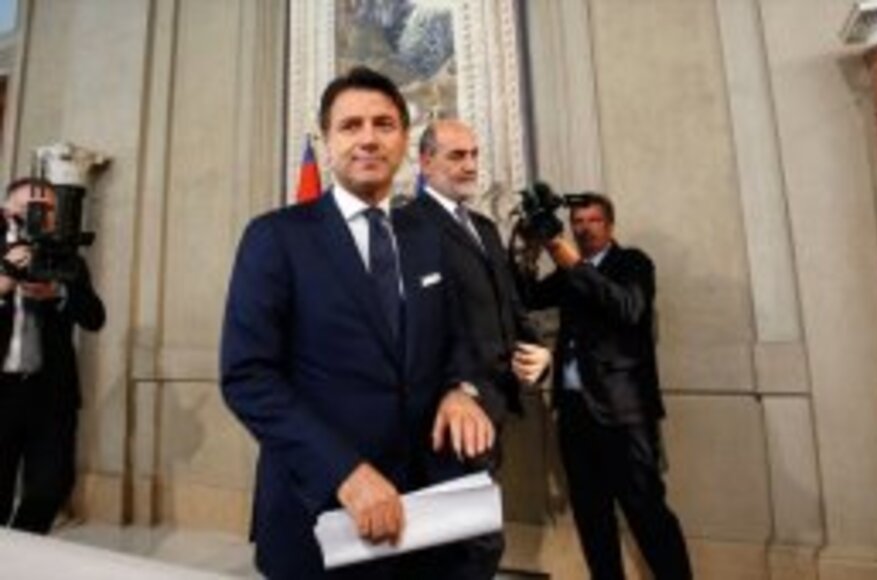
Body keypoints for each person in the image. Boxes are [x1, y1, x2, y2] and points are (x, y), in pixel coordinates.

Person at [220, 67, 495, 579]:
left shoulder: (428, 235)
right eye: (350, 126)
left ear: (404, 141)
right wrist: (342, 472)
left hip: (427, 513)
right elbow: (248, 377)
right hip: (320, 511)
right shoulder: (275, 237)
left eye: (383, 124)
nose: (368, 138)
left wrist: (460, 389)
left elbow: (457, 336)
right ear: (328, 142)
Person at [519, 193, 692, 580]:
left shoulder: (632, 263)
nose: (584, 229)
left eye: (593, 221)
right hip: (574, 412)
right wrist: (530, 252)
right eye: (577, 222)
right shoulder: (568, 273)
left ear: (610, 225)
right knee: (591, 516)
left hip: (624, 412)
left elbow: (628, 308)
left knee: (647, 512)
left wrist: (571, 263)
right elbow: (526, 299)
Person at [406, 119, 551, 577]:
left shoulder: (485, 228)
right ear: (425, 162)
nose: (470, 165)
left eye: (473, 155)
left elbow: (512, 306)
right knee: (474, 548)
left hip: (496, 406)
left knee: (470, 546)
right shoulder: (405, 226)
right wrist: (450, 388)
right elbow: (411, 326)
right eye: (456, 156)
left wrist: (539, 354)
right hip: (446, 414)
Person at [0, 177, 106, 534]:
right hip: (1, 392)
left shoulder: (67, 258)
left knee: (50, 488)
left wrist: (59, 293)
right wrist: (5, 280)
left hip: (50, 396)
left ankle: (22, 548)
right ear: (7, 210)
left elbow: (95, 318)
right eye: (30, 207)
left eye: (47, 210)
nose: (39, 216)